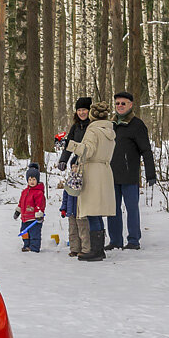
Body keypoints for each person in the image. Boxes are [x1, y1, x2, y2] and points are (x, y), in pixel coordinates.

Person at [66, 101, 116, 262]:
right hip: (105, 171)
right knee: (97, 212)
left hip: (93, 172)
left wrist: (70, 145)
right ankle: (99, 248)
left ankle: (95, 250)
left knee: (92, 212)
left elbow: (87, 150)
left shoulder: (92, 131)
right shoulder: (109, 131)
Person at [106, 91, 157, 251]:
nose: (119, 106)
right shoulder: (110, 125)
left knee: (132, 208)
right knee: (112, 210)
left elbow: (146, 150)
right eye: (117, 103)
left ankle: (134, 240)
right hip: (111, 175)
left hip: (129, 175)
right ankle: (115, 240)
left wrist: (151, 173)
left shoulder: (137, 125)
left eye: (123, 103)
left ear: (130, 105)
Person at [14, 163, 46, 253]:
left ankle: (34, 247)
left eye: (34, 179)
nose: (32, 181)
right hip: (25, 218)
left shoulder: (39, 193)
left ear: (37, 180)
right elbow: (21, 203)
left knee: (34, 233)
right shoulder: (24, 192)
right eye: (30, 179)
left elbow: (40, 205)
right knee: (24, 232)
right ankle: (26, 245)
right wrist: (17, 211)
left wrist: (39, 214)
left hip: (34, 219)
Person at [59, 161, 88, 257]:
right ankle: (74, 249)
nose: (75, 169)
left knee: (83, 231)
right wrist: (64, 209)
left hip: (81, 211)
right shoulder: (69, 182)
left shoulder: (84, 180)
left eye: (77, 167)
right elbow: (65, 197)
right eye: (73, 167)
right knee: (72, 231)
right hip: (71, 211)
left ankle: (85, 249)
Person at [57, 97, 92, 172]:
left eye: (84, 110)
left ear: (89, 111)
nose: (81, 113)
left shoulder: (93, 126)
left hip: (91, 164)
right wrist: (63, 160)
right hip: (77, 165)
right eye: (79, 110)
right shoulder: (75, 126)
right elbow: (69, 144)